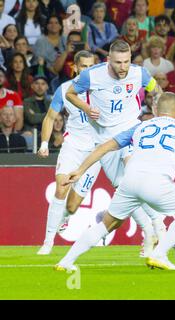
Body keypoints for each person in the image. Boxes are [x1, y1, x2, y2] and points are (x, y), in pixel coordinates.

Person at [55, 92, 175, 271]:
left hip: (129, 181)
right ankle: (159, 254)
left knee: (108, 223)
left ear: (156, 110)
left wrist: (80, 170)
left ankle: (65, 261)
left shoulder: (140, 127)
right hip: (158, 183)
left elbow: (104, 148)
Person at [65, 40, 165, 257]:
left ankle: (159, 227)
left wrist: (159, 107)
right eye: (118, 62)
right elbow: (70, 94)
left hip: (131, 129)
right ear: (108, 59)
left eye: (126, 62)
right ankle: (148, 230)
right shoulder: (92, 75)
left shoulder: (139, 73)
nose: (123, 67)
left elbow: (156, 90)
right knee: (122, 186)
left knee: (132, 176)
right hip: (104, 137)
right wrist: (86, 107)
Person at [36, 51, 102, 255]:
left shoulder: (104, 89)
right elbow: (50, 117)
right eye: (84, 66)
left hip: (95, 152)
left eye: (91, 66)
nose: (87, 70)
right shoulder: (65, 89)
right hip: (72, 146)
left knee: (72, 207)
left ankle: (64, 217)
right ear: (75, 67)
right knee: (62, 187)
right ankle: (47, 243)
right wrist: (44, 143)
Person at [0, 67, 23, 131]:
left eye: (1, 76)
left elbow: (19, 119)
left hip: (10, 133)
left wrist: (12, 137)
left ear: (5, 78)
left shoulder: (13, 95)